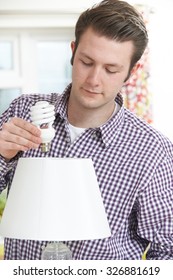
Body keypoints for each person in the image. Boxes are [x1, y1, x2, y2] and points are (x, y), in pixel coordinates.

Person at [0, 0, 173, 260]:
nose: (94, 80)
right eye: (86, 62)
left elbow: (167, 249)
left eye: (111, 69)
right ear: (72, 51)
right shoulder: (23, 111)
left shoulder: (152, 150)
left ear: (131, 72)